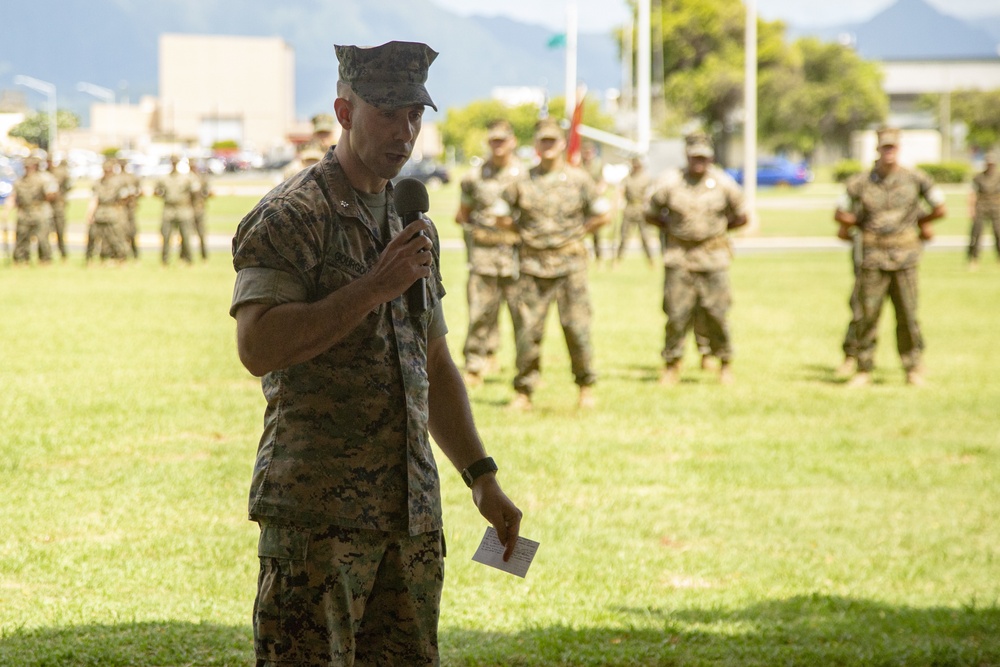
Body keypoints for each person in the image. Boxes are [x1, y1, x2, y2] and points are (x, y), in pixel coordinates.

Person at [229, 40, 522, 666]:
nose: (405, 130)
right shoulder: (290, 216)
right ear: (344, 110)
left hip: (409, 518)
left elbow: (435, 363)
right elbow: (257, 347)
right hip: (319, 520)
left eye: (415, 114)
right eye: (387, 113)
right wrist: (373, 287)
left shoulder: (410, 219)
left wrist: (481, 475)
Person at [499, 118, 612, 410]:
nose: (547, 146)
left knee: (577, 327)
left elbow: (603, 214)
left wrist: (577, 234)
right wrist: (522, 235)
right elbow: (499, 216)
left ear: (562, 143)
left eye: (553, 140)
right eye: (542, 141)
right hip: (532, 268)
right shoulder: (521, 181)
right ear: (535, 145)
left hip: (570, 266)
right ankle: (524, 391)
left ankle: (585, 386)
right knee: (528, 332)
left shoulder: (579, 179)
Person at [834, 127, 946, 387]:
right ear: (877, 149)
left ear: (899, 149)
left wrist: (917, 222)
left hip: (905, 256)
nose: (889, 152)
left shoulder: (916, 179)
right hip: (873, 256)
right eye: (885, 147)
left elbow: (940, 208)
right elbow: (840, 211)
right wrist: (859, 223)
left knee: (907, 313)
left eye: (892, 147)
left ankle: (912, 367)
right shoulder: (860, 182)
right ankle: (863, 367)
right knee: (867, 314)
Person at [645, 133, 747, 385]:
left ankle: (724, 362)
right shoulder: (671, 182)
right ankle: (672, 363)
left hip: (713, 256)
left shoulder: (723, 183)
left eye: (703, 157)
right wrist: (672, 229)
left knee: (717, 312)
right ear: (687, 156)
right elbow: (650, 212)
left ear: (710, 157)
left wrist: (717, 231)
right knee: (677, 313)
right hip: (680, 256)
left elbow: (741, 215)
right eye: (694, 157)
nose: (698, 162)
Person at [455, 119, 524, 387]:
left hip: (515, 256)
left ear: (513, 141)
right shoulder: (474, 178)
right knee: (479, 314)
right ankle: (474, 366)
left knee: (523, 317)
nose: (498, 145)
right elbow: (463, 215)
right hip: (483, 257)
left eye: (502, 140)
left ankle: (526, 368)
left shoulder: (525, 175)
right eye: (493, 140)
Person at [5, 153, 57, 264]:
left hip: (39, 211)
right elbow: (13, 197)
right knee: (22, 237)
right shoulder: (19, 181)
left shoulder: (44, 179)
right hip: (24, 212)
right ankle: (21, 260)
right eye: (26, 166)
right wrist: (6, 211)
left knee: (43, 238)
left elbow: (51, 195)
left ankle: (45, 259)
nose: (28, 169)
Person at [84, 158, 131, 263]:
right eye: (105, 169)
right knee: (95, 236)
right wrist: (90, 214)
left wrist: (120, 209)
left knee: (116, 236)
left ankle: (121, 258)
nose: (107, 171)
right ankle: (95, 258)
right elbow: (94, 199)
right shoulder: (98, 183)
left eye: (109, 169)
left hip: (113, 211)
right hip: (100, 212)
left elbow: (126, 197)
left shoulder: (119, 182)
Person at [154, 155, 196, 265]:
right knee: (166, 235)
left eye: (175, 162)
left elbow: (194, 192)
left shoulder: (186, 178)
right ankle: (165, 260)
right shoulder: (164, 178)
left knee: (186, 236)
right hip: (169, 209)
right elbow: (156, 191)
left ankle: (187, 259)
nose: (173, 164)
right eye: (172, 162)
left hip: (183, 208)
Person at [615, 154, 655, 267]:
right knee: (623, 235)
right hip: (629, 208)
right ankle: (618, 259)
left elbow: (651, 193)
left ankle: (651, 260)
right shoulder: (627, 178)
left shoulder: (646, 178)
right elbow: (620, 191)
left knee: (645, 236)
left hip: (641, 208)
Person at [968, 150, 1000, 269]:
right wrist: (970, 208)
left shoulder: (998, 176)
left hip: (996, 206)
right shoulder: (978, 177)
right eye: (988, 163)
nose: (990, 166)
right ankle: (973, 258)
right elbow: (972, 193)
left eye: (992, 164)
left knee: (998, 233)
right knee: (976, 233)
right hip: (981, 206)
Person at [580, 140, 608, 263]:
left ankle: (599, 257)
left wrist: (599, 190)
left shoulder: (598, 164)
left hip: (594, 198)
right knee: (580, 227)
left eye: (589, 152)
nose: (587, 154)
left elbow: (603, 181)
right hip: (581, 200)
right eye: (585, 152)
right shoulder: (579, 164)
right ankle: (582, 254)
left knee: (596, 229)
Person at [46, 155, 73, 260]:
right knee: (45, 232)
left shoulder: (61, 173)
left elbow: (69, 186)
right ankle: (46, 256)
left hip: (58, 205)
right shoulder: (44, 174)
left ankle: (63, 254)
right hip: (47, 206)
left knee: (60, 231)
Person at [117, 156, 143, 259]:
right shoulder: (116, 177)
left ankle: (135, 255)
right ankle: (122, 255)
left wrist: (134, 199)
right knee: (121, 232)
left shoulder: (132, 177)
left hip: (130, 208)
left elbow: (139, 191)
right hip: (120, 208)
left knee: (132, 232)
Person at [190, 160, 213, 261]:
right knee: (185, 235)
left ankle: (204, 256)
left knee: (201, 234)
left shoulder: (202, 179)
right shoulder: (187, 178)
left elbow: (207, 192)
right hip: (188, 210)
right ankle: (186, 257)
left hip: (199, 209)